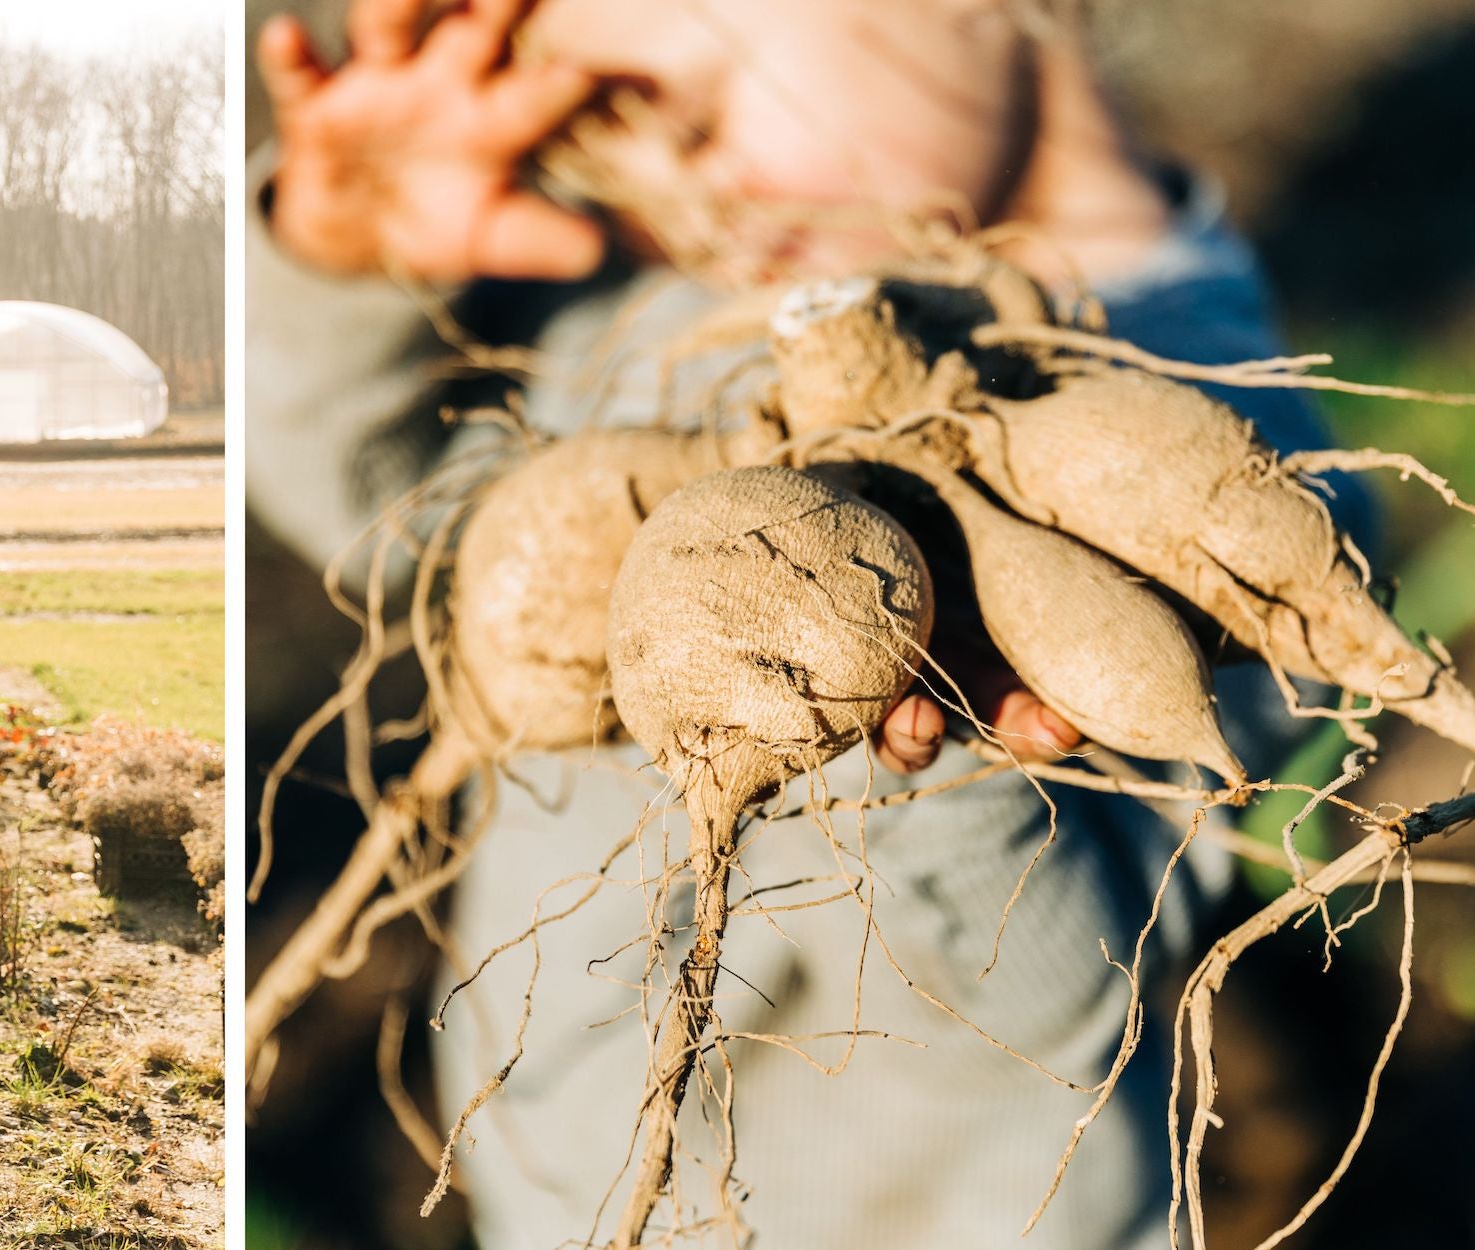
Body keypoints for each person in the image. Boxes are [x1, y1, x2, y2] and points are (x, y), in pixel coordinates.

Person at [249, 0, 1373, 1245]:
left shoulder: (1225, 485)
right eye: (593, 138)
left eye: (694, 109)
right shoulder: (657, 317)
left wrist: (942, 750)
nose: (669, 178)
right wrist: (343, 271)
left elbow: (1063, 997)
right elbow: (390, 519)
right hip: (562, 1193)